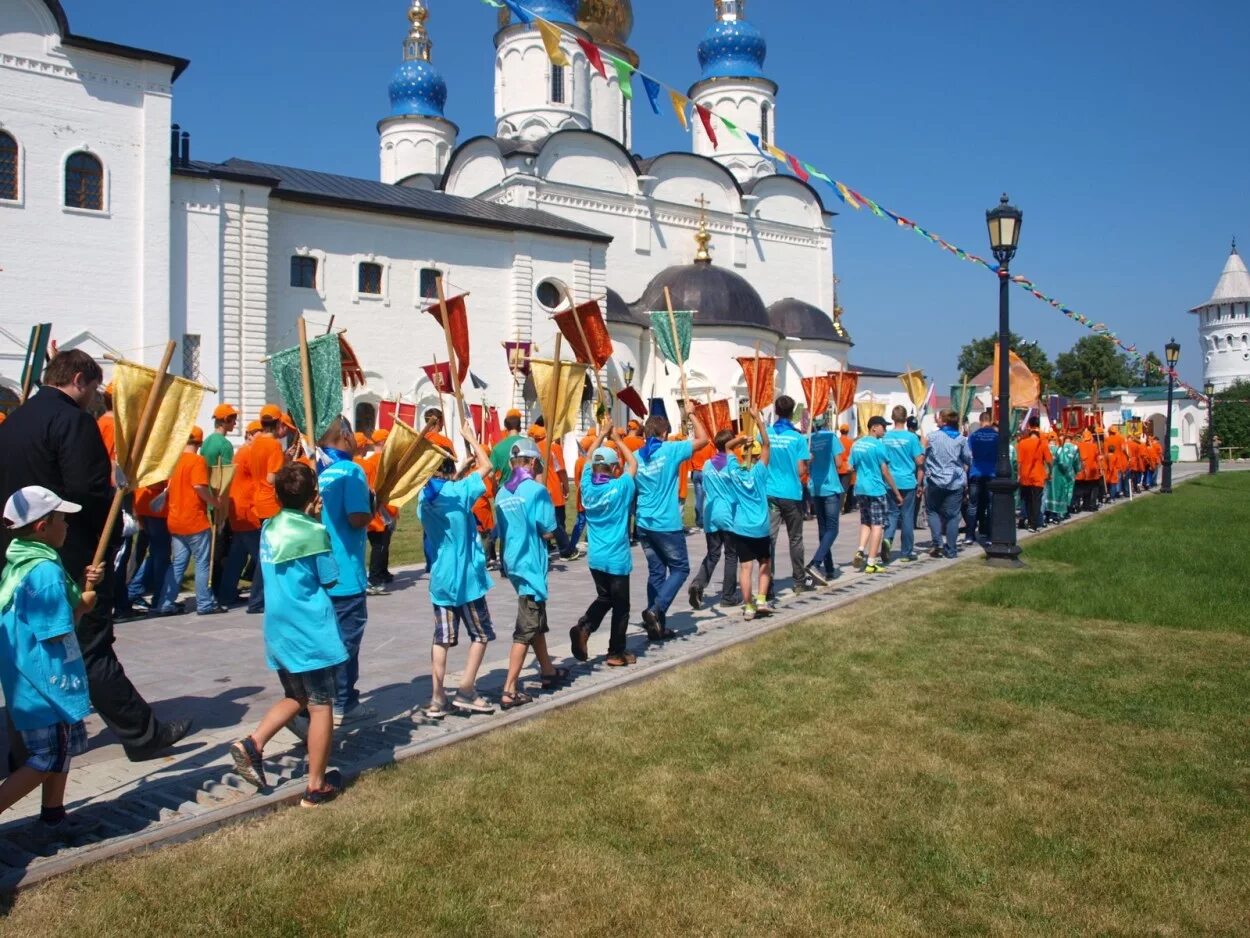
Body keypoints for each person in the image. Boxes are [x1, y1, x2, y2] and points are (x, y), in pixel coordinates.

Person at [0, 350, 191, 761]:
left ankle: (22, 749)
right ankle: (142, 734)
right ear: (80, 378)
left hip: (15, 556)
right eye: (94, 387)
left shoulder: (14, 420)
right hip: (68, 555)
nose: (94, 397)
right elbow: (87, 492)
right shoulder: (72, 421)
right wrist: (112, 516)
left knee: (26, 649)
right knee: (89, 645)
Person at [228, 463, 345, 808]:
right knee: (322, 705)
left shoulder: (268, 527)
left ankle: (253, 743)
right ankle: (316, 785)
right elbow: (330, 577)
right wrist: (318, 524)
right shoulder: (312, 531)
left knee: (298, 695)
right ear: (313, 497)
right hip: (309, 629)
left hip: (278, 627)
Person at [0, 486, 104, 837]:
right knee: (45, 758)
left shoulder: (22, 559)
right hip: (44, 682)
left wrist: (81, 588)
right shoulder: (43, 571)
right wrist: (83, 605)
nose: (67, 525)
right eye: (61, 519)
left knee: (62, 749)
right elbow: (58, 630)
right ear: (43, 527)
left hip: (28, 676)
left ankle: (53, 815)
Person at [417, 421, 498, 717]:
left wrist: (460, 468)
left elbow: (447, 488)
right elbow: (487, 466)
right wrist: (470, 438)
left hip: (441, 578)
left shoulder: (423, 498)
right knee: (481, 634)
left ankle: (438, 697)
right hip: (467, 579)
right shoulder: (459, 491)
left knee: (442, 639)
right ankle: (466, 688)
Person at [494, 437, 570, 710]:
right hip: (530, 564)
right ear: (531, 462)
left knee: (536, 617)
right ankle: (509, 689)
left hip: (513, 562)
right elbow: (548, 528)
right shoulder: (537, 491)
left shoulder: (502, 492)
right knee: (526, 627)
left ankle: (548, 670)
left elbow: (501, 531)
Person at [316, 418, 374, 726]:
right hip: (346, 572)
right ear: (346, 436)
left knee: (329, 638)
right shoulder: (351, 470)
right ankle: (342, 701)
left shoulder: (321, 471)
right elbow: (356, 517)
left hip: (323, 569)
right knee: (347, 640)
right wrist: (373, 506)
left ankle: (328, 699)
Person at [634, 406, 708, 641]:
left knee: (656, 572)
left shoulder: (638, 456)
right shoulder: (670, 449)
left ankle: (655, 626)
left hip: (644, 522)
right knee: (680, 568)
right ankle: (656, 610)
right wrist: (692, 414)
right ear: (664, 434)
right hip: (666, 523)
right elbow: (704, 440)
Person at [570, 421, 639, 666]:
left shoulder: (586, 486)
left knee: (605, 598)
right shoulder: (620, 487)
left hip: (595, 556)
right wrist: (618, 439)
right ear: (612, 468)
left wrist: (601, 435)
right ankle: (615, 653)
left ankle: (585, 628)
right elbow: (634, 464)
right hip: (617, 557)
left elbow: (588, 457)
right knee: (621, 605)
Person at [155, 427, 225, 616]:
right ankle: (204, 604)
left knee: (177, 564)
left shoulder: (174, 461)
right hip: (194, 520)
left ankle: (165, 602)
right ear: (200, 444)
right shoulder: (197, 461)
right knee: (202, 563)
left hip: (176, 520)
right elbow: (198, 486)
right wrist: (215, 502)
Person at [725, 409, 773, 620]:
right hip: (760, 526)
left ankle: (748, 606)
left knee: (745, 568)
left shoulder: (734, 471)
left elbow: (726, 447)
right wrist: (758, 421)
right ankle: (761, 599)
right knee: (764, 563)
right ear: (754, 456)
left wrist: (740, 438)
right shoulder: (760, 472)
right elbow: (767, 445)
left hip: (742, 527)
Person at [688, 429, 741, 610]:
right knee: (731, 555)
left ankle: (698, 583)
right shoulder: (732, 463)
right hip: (729, 514)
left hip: (711, 513)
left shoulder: (707, 465)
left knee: (713, 553)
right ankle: (728, 596)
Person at [764, 395, 812, 594]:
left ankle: (768, 583)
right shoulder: (797, 438)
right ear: (793, 413)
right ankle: (799, 581)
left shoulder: (767, 433)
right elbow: (801, 471)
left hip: (770, 492)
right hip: (791, 493)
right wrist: (809, 461)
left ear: (775, 411)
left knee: (769, 539)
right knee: (795, 538)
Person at [245, 404, 289, 613]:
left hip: (258, 500)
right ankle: (258, 599)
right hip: (272, 503)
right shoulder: (274, 446)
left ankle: (260, 598)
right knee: (273, 554)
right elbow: (272, 478)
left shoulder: (255, 444)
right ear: (279, 423)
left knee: (267, 552)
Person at [850, 416, 902, 574]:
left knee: (866, 521)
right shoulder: (878, 446)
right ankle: (871, 562)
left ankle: (860, 549)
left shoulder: (857, 444)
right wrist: (896, 492)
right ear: (874, 427)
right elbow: (885, 471)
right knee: (877, 525)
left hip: (860, 488)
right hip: (876, 489)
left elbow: (851, 466)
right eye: (883, 427)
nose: (884, 430)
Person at [218, 421, 262, 607]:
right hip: (247, 512)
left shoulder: (243, 452)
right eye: (261, 432)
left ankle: (226, 594)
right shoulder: (249, 453)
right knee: (262, 558)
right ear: (251, 434)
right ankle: (258, 599)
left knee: (237, 555)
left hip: (239, 511)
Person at [528, 423, 580, 561]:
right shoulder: (554, 447)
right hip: (554, 489)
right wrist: (566, 487)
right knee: (557, 521)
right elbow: (561, 470)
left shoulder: (532, 448)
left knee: (541, 519)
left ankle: (548, 547)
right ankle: (565, 549)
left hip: (537, 488)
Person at [924, 409, 972, 558]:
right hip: (954, 481)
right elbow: (969, 459)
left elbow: (922, 456)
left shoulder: (931, 437)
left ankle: (937, 541)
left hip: (935, 480)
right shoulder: (961, 439)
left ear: (943, 421)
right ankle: (951, 549)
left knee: (933, 511)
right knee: (952, 516)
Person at [882, 405, 925, 563]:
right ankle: (906, 552)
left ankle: (887, 539)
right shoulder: (912, 438)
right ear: (906, 419)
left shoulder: (885, 438)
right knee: (907, 516)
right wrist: (924, 449)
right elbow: (919, 461)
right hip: (907, 481)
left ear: (892, 419)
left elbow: (883, 461)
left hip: (890, 481)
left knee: (892, 514)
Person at [805, 414, 844, 585]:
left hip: (815, 486)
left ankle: (828, 569)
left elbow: (806, 462)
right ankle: (816, 563)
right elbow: (839, 461)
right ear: (826, 422)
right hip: (830, 486)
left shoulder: (809, 439)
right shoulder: (831, 437)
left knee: (823, 530)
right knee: (833, 529)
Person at [364, 428, 397, 595]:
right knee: (380, 545)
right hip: (382, 509)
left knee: (384, 543)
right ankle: (375, 578)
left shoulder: (369, 461)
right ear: (384, 442)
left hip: (378, 508)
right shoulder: (382, 462)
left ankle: (382, 572)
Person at [965, 410, 998, 543]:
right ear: (990, 421)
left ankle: (970, 535)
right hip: (991, 473)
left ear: (980, 422)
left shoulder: (974, 436)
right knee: (991, 505)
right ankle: (990, 536)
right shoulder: (997, 436)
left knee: (973, 505)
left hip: (975, 473)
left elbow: (968, 455)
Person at [1016, 416, 1051, 531]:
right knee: (1036, 501)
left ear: (1029, 427)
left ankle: (1027, 519)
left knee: (1027, 500)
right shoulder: (1043, 443)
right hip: (1038, 476)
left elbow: (1019, 462)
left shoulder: (1022, 443)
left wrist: (1018, 475)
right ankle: (1033, 524)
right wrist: (1050, 472)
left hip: (1025, 476)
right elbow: (1049, 461)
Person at [489, 408, 525, 483]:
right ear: (520, 429)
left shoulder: (497, 448)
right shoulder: (530, 444)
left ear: (506, 429)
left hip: (505, 490)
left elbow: (490, 474)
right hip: (526, 489)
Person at [690, 435, 715, 529]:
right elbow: (713, 459)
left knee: (699, 498)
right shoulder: (709, 444)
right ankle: (707, 519)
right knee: (708, 497)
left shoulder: (694, 446)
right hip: (705, 471)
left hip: (696, 471)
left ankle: (699, 520)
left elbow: (690, 459)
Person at [836, 423, 855, 514]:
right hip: (847, 468)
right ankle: (842, 508)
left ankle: (837, 507)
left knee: (838, 488)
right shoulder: (850, 442)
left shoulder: (837, 441)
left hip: (838, 467)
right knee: (845, 489)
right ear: (848, 431)